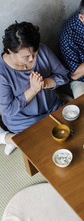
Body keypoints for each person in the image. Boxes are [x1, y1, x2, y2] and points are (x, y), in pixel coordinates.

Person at [0, 21, 69, 155]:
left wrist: (45, 83)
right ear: (10, 51)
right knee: (47, 151)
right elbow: (7, 110)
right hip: (24, 121)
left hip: (53, 108)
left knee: (72, 135)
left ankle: (15, 141)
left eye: (35, 53)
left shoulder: (42, 50)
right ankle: (10, 139)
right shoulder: (2, 72)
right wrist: (33, 90)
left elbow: (64, 76)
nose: (32, 59)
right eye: (26, 56)